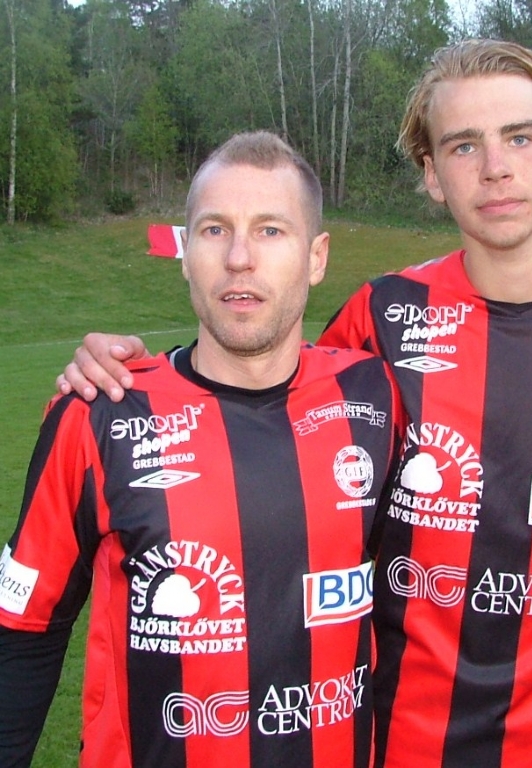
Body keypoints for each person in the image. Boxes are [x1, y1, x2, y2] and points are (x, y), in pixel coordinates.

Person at [54, 40, 532, 768]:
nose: (495, 167)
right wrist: (124, 375)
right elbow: (264, 396)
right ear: (432, 177)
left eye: (520, 137)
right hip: (398, 727)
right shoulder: (384, 314)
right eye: (464, 146)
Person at [0, 131, 403, 768]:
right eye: (215, 230)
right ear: (186, 254)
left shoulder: (376, 396)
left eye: (271, 230)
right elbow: (22, 633)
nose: (240, 257)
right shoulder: (99, 413)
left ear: (316, 257)